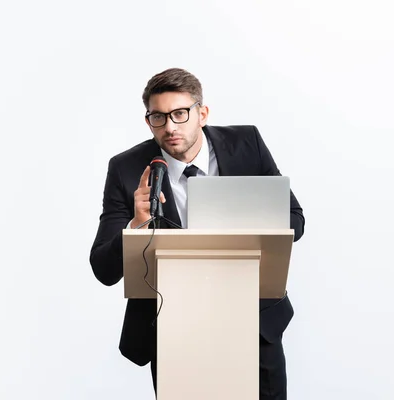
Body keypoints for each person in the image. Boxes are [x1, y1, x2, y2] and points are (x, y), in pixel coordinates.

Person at [89, 67, 305, 399]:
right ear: (148, 122)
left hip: (250, 318)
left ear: (201, 114)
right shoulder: (127, 169)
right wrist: (137, 224)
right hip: (173, 328)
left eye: (179, 114)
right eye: (158, 117)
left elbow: (295, 220)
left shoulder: (247, 144)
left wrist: (246, 226)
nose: (170, 127)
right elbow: (103, 269)